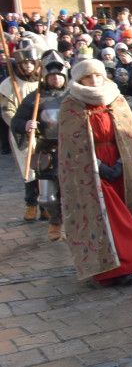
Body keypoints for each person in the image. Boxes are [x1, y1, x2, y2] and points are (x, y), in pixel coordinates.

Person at [58, 59, 132, 285]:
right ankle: (119, 266)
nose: (94, 81)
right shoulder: (72, 105)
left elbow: (130, 133)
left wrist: (123, 160)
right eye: (88, 77)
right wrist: (98, 166)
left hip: (122, 163)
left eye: (98, 76)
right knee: (110, 216)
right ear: (80, 80)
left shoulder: (116, 99)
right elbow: (73, 144)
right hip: (91, 169)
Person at [11, 51, 70, 241]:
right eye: (51, 75)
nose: (55, 79)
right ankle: (55, 222)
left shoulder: (73, 96)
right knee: (46, 198)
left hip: (71, 150)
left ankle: (71, 226)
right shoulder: (35, 97)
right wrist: (26, 125)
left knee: (71, 194)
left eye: (58, 75)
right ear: (45, 76)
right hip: (47, 152)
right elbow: (16, 121)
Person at [1, 36, 44, 220]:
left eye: (30, 62)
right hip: (23, 133)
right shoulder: (9, 85)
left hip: (43, 132)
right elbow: (7, 111)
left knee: (45, 167)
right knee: (30, 170)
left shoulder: (43, 82)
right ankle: (31, 204)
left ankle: (46, 205)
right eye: (24, 63)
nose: (27, 66)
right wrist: (20, 124)